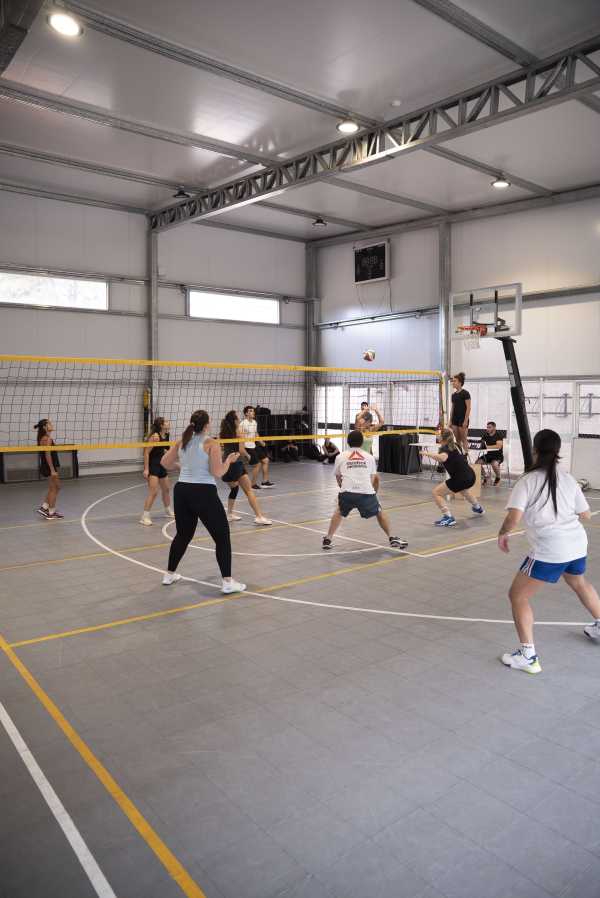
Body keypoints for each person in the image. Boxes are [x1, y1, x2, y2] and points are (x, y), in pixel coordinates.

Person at [498, 429, 600, 673]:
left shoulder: (528, 481)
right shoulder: (568, 478)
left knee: (518, 596)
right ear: (558, 452)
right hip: (577, 543)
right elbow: (586, 514)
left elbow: (514, 517)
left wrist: (503, 533)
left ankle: (528, 657)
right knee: (579, 582)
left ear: (535, 450)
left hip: (551, 549)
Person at [160, 409, 246, 594]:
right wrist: (229, 461)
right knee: (222, 536)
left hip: (182, 491)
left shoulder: (182, 441)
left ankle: (169, 574)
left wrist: (183, 466)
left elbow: (164, 463)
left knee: (183, 535)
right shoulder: (211, 443)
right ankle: (228, 582)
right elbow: (218, 472)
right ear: (207, 425)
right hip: (203, 492)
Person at [322, 430, 407, 551]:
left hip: (347, 493)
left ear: (348, 442)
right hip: (366, 493)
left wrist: (343, 488)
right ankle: (392, 537)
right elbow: (374, 478)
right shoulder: (370, 457)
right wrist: (370, 492)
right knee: (379, 512)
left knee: (339, 511)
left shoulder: (340, 456)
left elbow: (338, 476)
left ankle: (328, 539)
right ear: (362, 442)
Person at [421, 428, 484, 526]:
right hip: (471, 476)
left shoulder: (445, 448)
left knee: (436, 493)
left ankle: (448, 517)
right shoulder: (456, 445)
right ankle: (477, 507)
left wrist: (426, 453)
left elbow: (442, 458)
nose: (437, 436)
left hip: (461, 478)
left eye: (438, 434)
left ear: (442, 437)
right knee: (463, 490)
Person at [219, 411, 272, 525]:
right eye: (237, 418)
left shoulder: (223, 432)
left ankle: (229, 514)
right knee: (249, 490)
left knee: (234, 488)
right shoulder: (239, 432)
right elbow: (241, 450)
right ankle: (259, 516)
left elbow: (223, 449)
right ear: (234, 421)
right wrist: (248, 456)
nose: (239, 420)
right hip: (236, 463)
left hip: (226, 464)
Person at [140, 417, 174, 525]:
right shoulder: (155, 436)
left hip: (162, 466)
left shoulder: (166, 435)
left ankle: (168, 510)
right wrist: (146, 469)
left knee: (166, 489)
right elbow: (146, 452)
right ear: (161, 425)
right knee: (154, 492)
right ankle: (144, 516)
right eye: (166, 422)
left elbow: (165, 450)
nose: (168, 423)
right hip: (153, 466)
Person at [239, 405, 274, 490]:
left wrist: (261, 442)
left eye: (253, 411)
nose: (253, 412)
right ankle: (253, 484)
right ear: (246, 413)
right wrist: (243, 452)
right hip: (247, 447)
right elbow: (240, 438)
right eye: (250, 411)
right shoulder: (242, 424)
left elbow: (255, 433)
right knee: (257, 465)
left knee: (266, 460)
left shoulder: (254, 422)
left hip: (253, 445)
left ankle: (265, 482)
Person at [35, 419, 64, 520]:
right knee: (55, 488)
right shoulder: (47, 439)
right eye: (49, 423)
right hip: (49, 467)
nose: (51, 424)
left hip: (48, 466)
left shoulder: (44, 438)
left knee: (56, 487)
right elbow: (48, 455)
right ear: (44, 427)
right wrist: (52, 470)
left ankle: (44, 508)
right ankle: (51, 513)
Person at [449, 372, 471, 452]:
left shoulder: (465, 393)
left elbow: (468, 408)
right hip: (455, 419)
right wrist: (450, 420)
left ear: (460, 382)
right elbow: (452, 408)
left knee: (463, 439)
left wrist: (465, 421)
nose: (453, 383)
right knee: (457, 440)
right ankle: (460, 456)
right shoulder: (453, 395)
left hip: (462, 419)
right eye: (452, 381)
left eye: (454, 381)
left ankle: (466, 456)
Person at [477, 421, 504, 485]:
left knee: (494, 464)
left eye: (489, 427)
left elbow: (499, 446)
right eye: (487, 427)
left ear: (494, 428)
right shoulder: (485, 435)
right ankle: (485, 477)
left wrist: (486, 446)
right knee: (477, 463)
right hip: (489, 455)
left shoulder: (498, 435)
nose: (487, 429)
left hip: (498, 455)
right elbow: (481, 443)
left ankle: (498, 477)